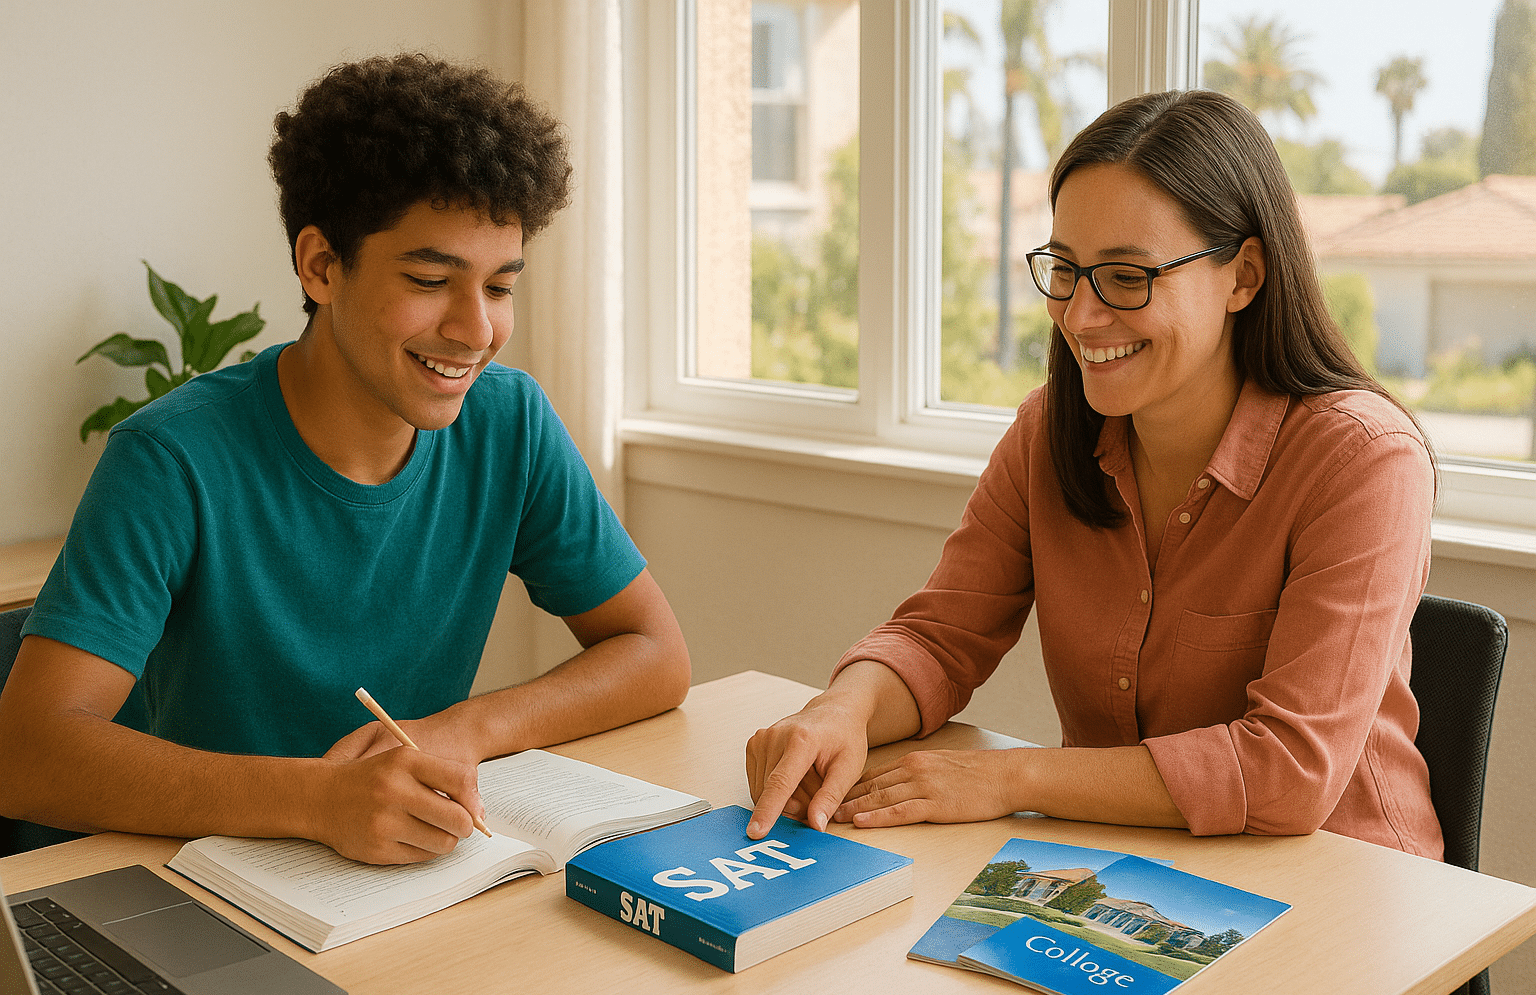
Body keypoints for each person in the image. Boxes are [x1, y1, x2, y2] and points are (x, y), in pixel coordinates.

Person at [0, 54, 690, 865]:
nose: (476, 330)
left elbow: (656, 655)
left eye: (499, 287)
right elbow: (27, 756)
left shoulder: (511, 423)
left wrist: (461, 729)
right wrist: (315, 800)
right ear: (321, 266)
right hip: (185, 882)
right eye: (432, 278)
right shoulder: (172, 457)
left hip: (384, 881)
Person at [745, 89, 1442, 861]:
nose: (1079, 316)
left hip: (1347, 886)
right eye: (1066, 270)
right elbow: (939, 639)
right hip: (1127, 867)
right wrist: (841, 709)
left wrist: (1010, 780)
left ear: (1244, 276)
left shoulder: (1364, 461)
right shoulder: (1050, 432)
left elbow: (1288, 773)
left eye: (1127, 276)